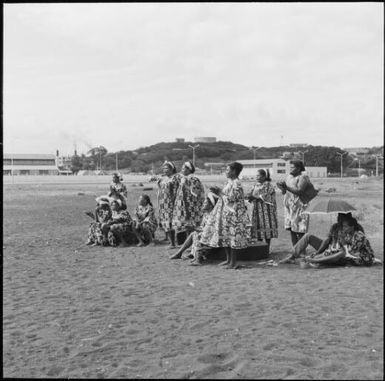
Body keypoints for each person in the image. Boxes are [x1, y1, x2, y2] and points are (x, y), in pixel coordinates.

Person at [199, 162, 251, 269]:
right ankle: (228, 260)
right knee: (226, 236)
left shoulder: (237, 183)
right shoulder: (229, 182)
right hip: (226, 213)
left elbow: (233, 198)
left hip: (234, 214)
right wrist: (219, 192)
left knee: (232, 238)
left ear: (234, 171)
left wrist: (219, 191)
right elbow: (225, 196)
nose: (226, 172)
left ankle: (233, 263)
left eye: (228, 170)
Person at [279, 212, 376, 266]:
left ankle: (312, 260)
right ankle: (292, 256)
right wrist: (318, 252)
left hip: (343, 251)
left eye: (340, 217)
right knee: (308, 236)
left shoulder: (357, 229)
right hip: (332, 248)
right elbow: (326, 240)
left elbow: (350, 249)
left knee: (331, 255)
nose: (338, 218)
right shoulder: (335, 227)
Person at [169, 186, 220, 263]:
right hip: (207, 234)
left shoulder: (213, 216)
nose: (203, 204)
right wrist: (195, 228)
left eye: (205, 203)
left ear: (210, 205)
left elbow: (209, 230)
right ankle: (187, 253)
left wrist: (193, 228)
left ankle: (191, 256)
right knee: (195, 233)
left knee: (195, 234)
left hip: (211, 236)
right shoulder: (206, 214)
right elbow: (203, 228)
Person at [276, 160, 310, 249]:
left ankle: (301, 251)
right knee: (292, 230)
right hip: (290, 207)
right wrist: (282, 188)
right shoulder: (289, 177)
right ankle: (295, 250)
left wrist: (286, 187)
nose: (291, 169)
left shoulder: (303, 177)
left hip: (300, 207)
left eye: (293, 167)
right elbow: (285, 192)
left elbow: (300, 191)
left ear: (299, 168)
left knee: (300, 230)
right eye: (290, 167)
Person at [172, 160, 205, 242]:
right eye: (182, 168)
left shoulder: (194, 179)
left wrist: (186, 184)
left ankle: (192, 243)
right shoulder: (182, 178)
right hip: (183, 206)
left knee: (192, 225)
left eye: (184, 168)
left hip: (192, 206)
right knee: (185, 225)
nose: (182, 170)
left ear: (189, 170)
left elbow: (195, 193)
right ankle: (186, 242)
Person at [246, 169, 278, 253]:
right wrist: (248, 196)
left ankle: (266, 249)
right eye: (256, 176)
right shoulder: (255, 185)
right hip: (257, 210)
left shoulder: (268, 185)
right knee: (258, 230)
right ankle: (260, 249)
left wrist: (254, 197)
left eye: (259, 175)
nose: (257, 177)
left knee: (267, 229)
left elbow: (266, 196)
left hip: (266, 211)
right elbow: (250, 195)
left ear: (264, 176)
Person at [157, 161, 178, 248]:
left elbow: (176, 192)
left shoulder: (175, 178)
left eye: (166, 168)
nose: (164, 170)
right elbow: (159, 190)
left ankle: (173, 243)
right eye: (163, 168)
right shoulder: (162, 179)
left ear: (172, 169)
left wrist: (174, 203)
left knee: (170, 223)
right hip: (163, 203)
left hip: (171, 203)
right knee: (165, 222)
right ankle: (170, 241)